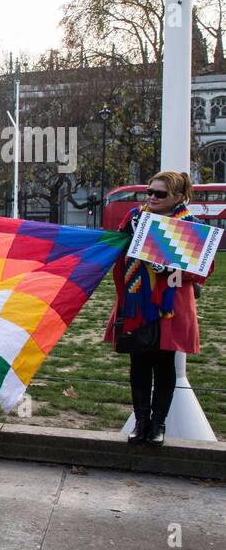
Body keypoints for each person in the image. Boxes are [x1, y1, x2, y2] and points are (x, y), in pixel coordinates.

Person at [105, 171, 210, 446]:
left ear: (178, 196)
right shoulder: (134, 219)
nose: (152, 197)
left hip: (170, 304)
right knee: (138, 360)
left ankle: (157, 425)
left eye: (159, 194)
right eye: (149, 192)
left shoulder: (191, 226)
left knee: (164, 364)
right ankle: (141, 422)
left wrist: (171, 266)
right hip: (138, 298)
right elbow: (117, 246)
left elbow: (203, 269)